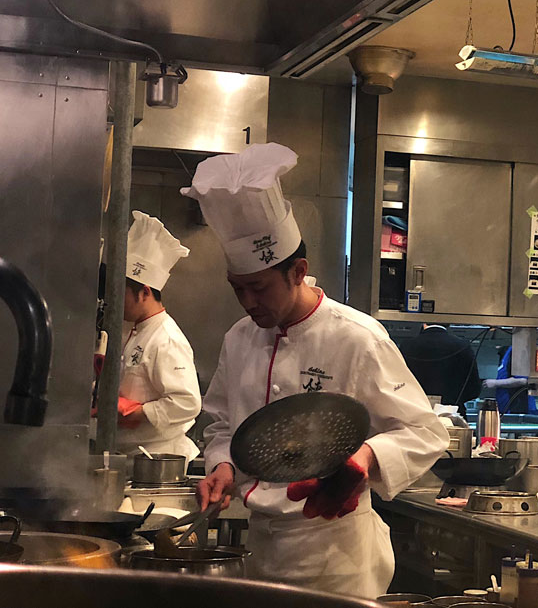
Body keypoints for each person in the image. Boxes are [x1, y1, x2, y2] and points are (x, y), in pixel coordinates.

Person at [186, 143, 448, 598]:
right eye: (237, 289)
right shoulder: (239, 338)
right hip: (263, 548)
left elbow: (424, 432)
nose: (248, 303)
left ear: (298, 271)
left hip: (337, 554)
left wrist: (365, 457)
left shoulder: (356, 337)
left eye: (258, 288)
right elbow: (225, 425)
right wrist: (223, 466)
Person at [112, 211, 201, 464]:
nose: (117, 302)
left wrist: (138, 412)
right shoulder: (135, 330)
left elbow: (187, 403)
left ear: (145, 292)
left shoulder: (166, 338)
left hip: (160, 462)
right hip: (134, 457)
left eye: (123, 293)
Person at [398, 323, 482, 412]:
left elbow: (396, 382)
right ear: (448, 323)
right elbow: (474, 389)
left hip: (414, 412)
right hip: (452, 414)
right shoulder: (463, 345)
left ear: (423, 323)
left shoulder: (406, 346)